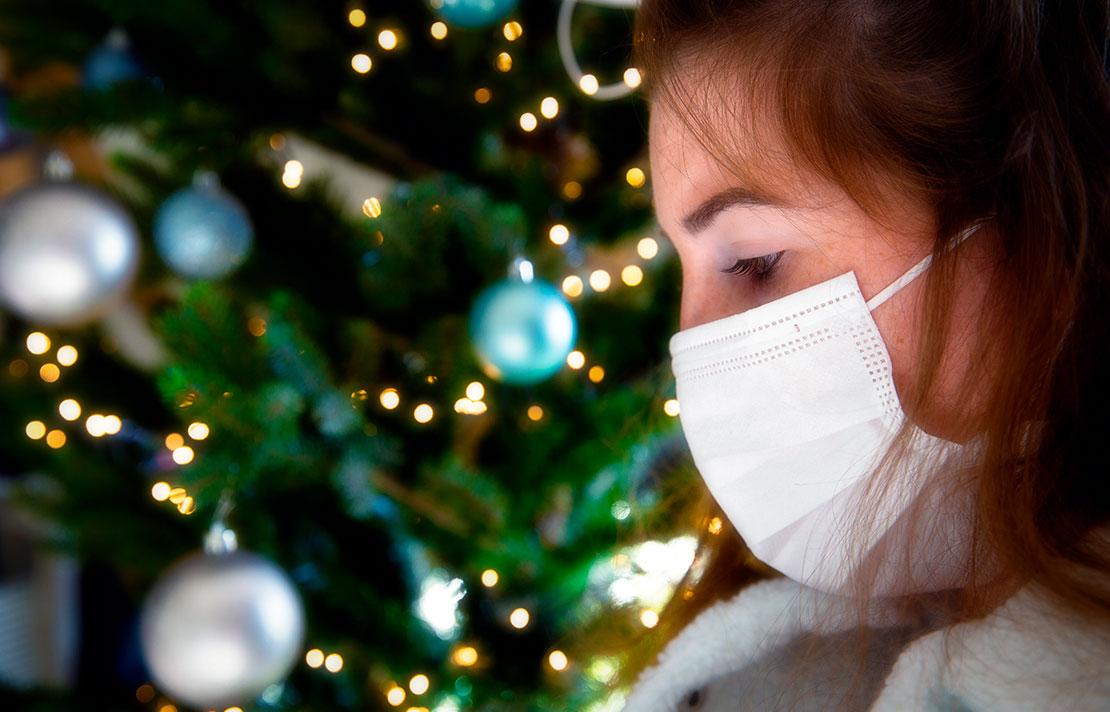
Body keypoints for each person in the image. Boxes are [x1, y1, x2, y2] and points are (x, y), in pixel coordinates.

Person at [620, 1, 1110, 710]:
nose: (693, 346)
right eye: (684, 269)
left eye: (754, 261)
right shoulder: (751, 668)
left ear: (1041, 226)